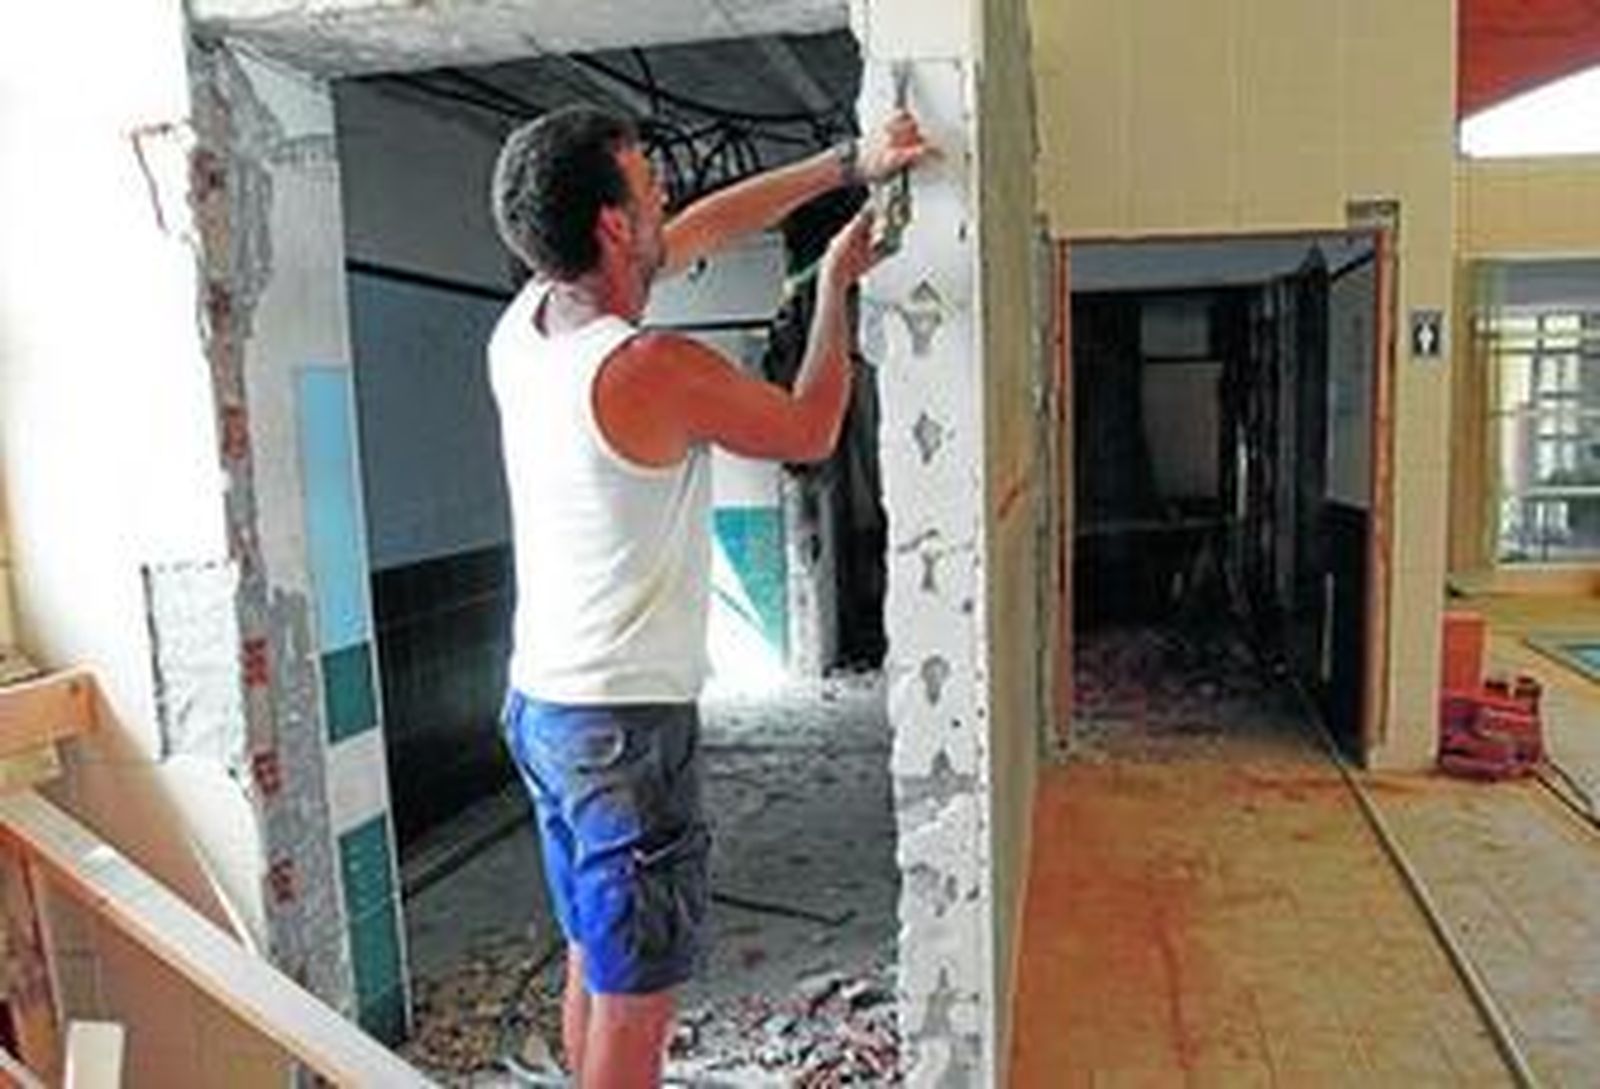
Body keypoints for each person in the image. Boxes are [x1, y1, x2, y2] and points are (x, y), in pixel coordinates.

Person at [488, 104, 931, 1087]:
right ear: (610, 224)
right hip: (623, 734)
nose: (668, 200)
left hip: (545, 713)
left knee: (593, 960)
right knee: (636, 1005)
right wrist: (833, 291)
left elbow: (708, 230)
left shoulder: (525, 328)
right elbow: (811, 430)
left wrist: (845, 165)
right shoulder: (646, 369)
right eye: (648, 186)